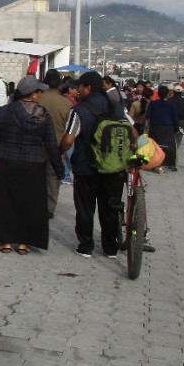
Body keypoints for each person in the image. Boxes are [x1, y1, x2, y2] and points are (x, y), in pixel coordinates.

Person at [0, 76, 64, 254]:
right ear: (33, 94)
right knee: (30, 204)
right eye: (39, 92)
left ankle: (5, 241)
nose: (41, 95)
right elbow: (51, 145)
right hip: (34, 165)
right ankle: (24, 243)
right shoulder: (43, 115)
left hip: (7, 162)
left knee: (6, 202)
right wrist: (59, 169)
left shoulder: (4, 112)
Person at [59, 71, 131, 259]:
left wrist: (59, 152)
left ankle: (86, 246)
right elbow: (130, 131)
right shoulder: (116, 107)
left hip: (86, 167)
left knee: (85, 208)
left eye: (80, 87)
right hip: (112, 168)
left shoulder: (79, 110)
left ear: (88, 88)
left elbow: (68, 140)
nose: (78, 90)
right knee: (109, 208)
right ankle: (110, 247)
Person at [38, 68, 73, 216]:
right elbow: (68, 129)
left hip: (37, 144)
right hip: (58, 146)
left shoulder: (37, 99)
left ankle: (35, 203)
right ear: (59, 85)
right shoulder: (66, 104)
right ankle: (49, 208)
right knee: (52, 178)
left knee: (37, 175)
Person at [145, 85, 178, 172]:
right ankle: (170, 163)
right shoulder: (171, 104)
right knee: (170, 146)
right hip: (168, 127)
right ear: (167, 94)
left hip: (155, 126)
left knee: (156, 145)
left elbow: (148, 116)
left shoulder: (153, 103)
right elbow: (175, 117)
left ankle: (155, 162)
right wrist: (176, 128)